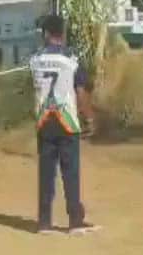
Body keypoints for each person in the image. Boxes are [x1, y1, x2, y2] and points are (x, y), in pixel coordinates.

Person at [29, 14, 98, 235]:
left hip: (44, 120)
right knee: (70, 173)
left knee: (46, 173)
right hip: (66, 120)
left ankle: (44, 222)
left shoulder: (35, 59)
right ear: (62, 33)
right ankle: (75, 221)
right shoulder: (71, 59)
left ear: (46, 34)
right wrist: (89, 117)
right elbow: (80, 91)